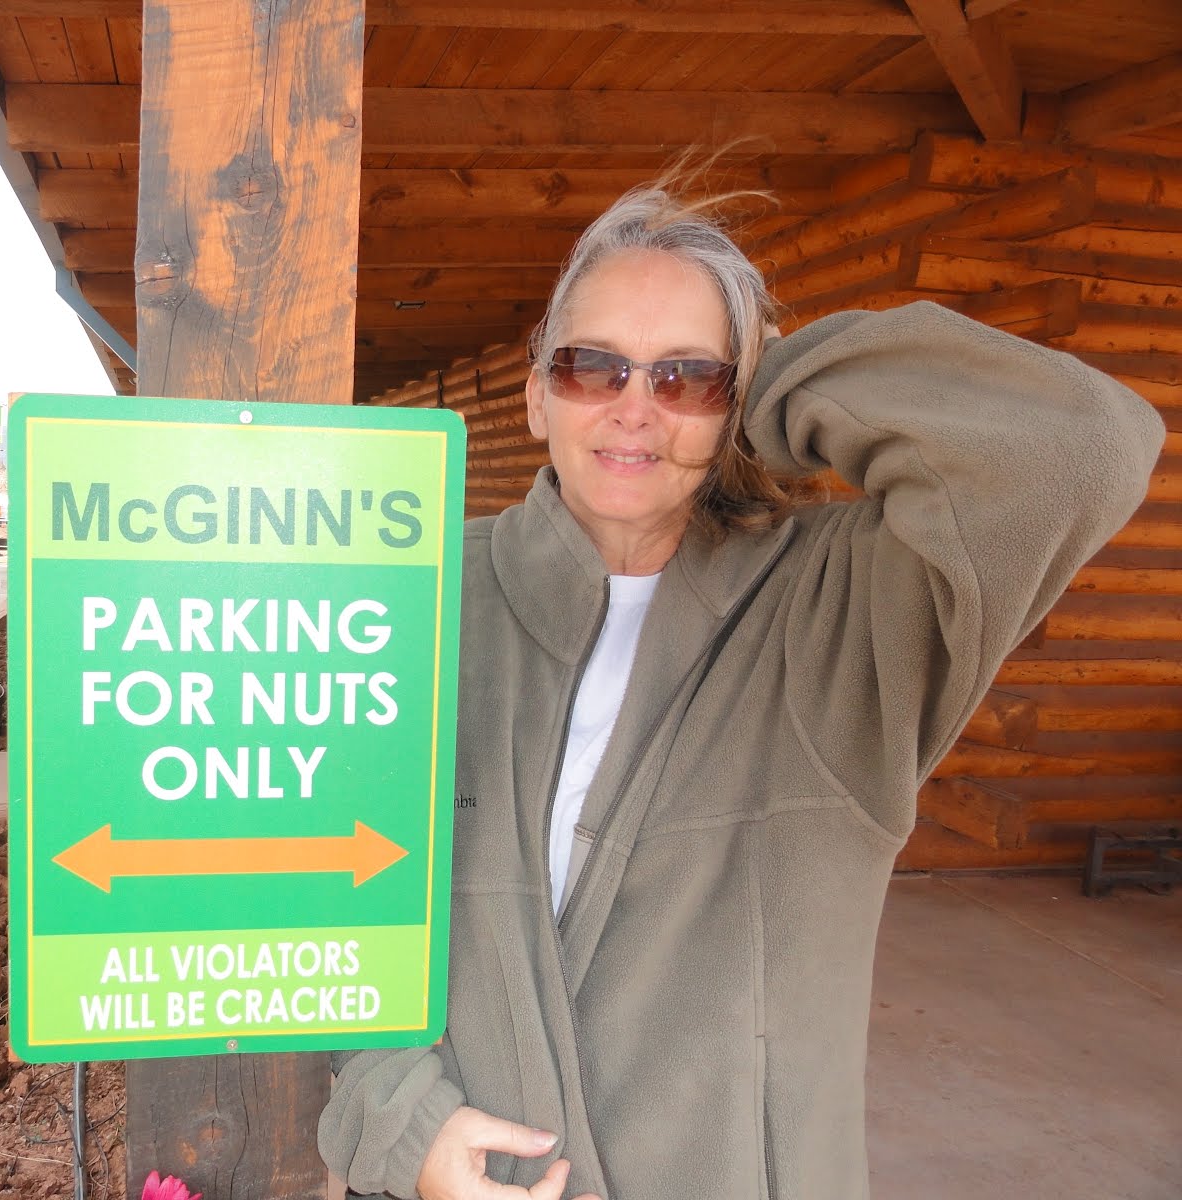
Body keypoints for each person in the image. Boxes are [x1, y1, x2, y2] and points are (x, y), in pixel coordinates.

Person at [317, 180, 1164, 1200]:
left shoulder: (844, 612)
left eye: (688, 378)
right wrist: (403, 1126)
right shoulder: (412, 600)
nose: (634, 407)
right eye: (592, 367)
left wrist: (781, 379)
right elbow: (307, 907)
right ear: (538, 392)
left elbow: (1080, 451)